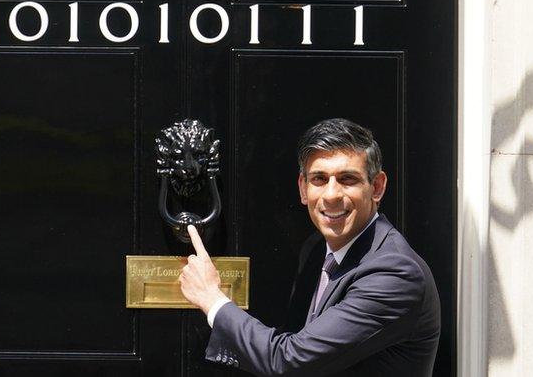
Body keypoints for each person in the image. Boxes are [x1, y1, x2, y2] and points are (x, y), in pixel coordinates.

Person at [180, 118, 441, 376]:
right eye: (319, 179)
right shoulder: (316, 250)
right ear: (303, 189)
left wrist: (211, 298)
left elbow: (288, 361)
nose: (331, 195)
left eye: (347, 179)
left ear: (377, 187)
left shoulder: (395, 274)